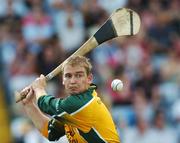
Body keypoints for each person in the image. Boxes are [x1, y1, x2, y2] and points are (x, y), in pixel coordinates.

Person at [20, 55, 121, 143]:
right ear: (63, 80)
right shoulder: (70, 111)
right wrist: (28, 104)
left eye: (78, 75)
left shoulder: (84, 103)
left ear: (89, 79)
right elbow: (50, 131)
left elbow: (46, 105)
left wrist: (38, 88)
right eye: (68, 76)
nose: (73, 81)